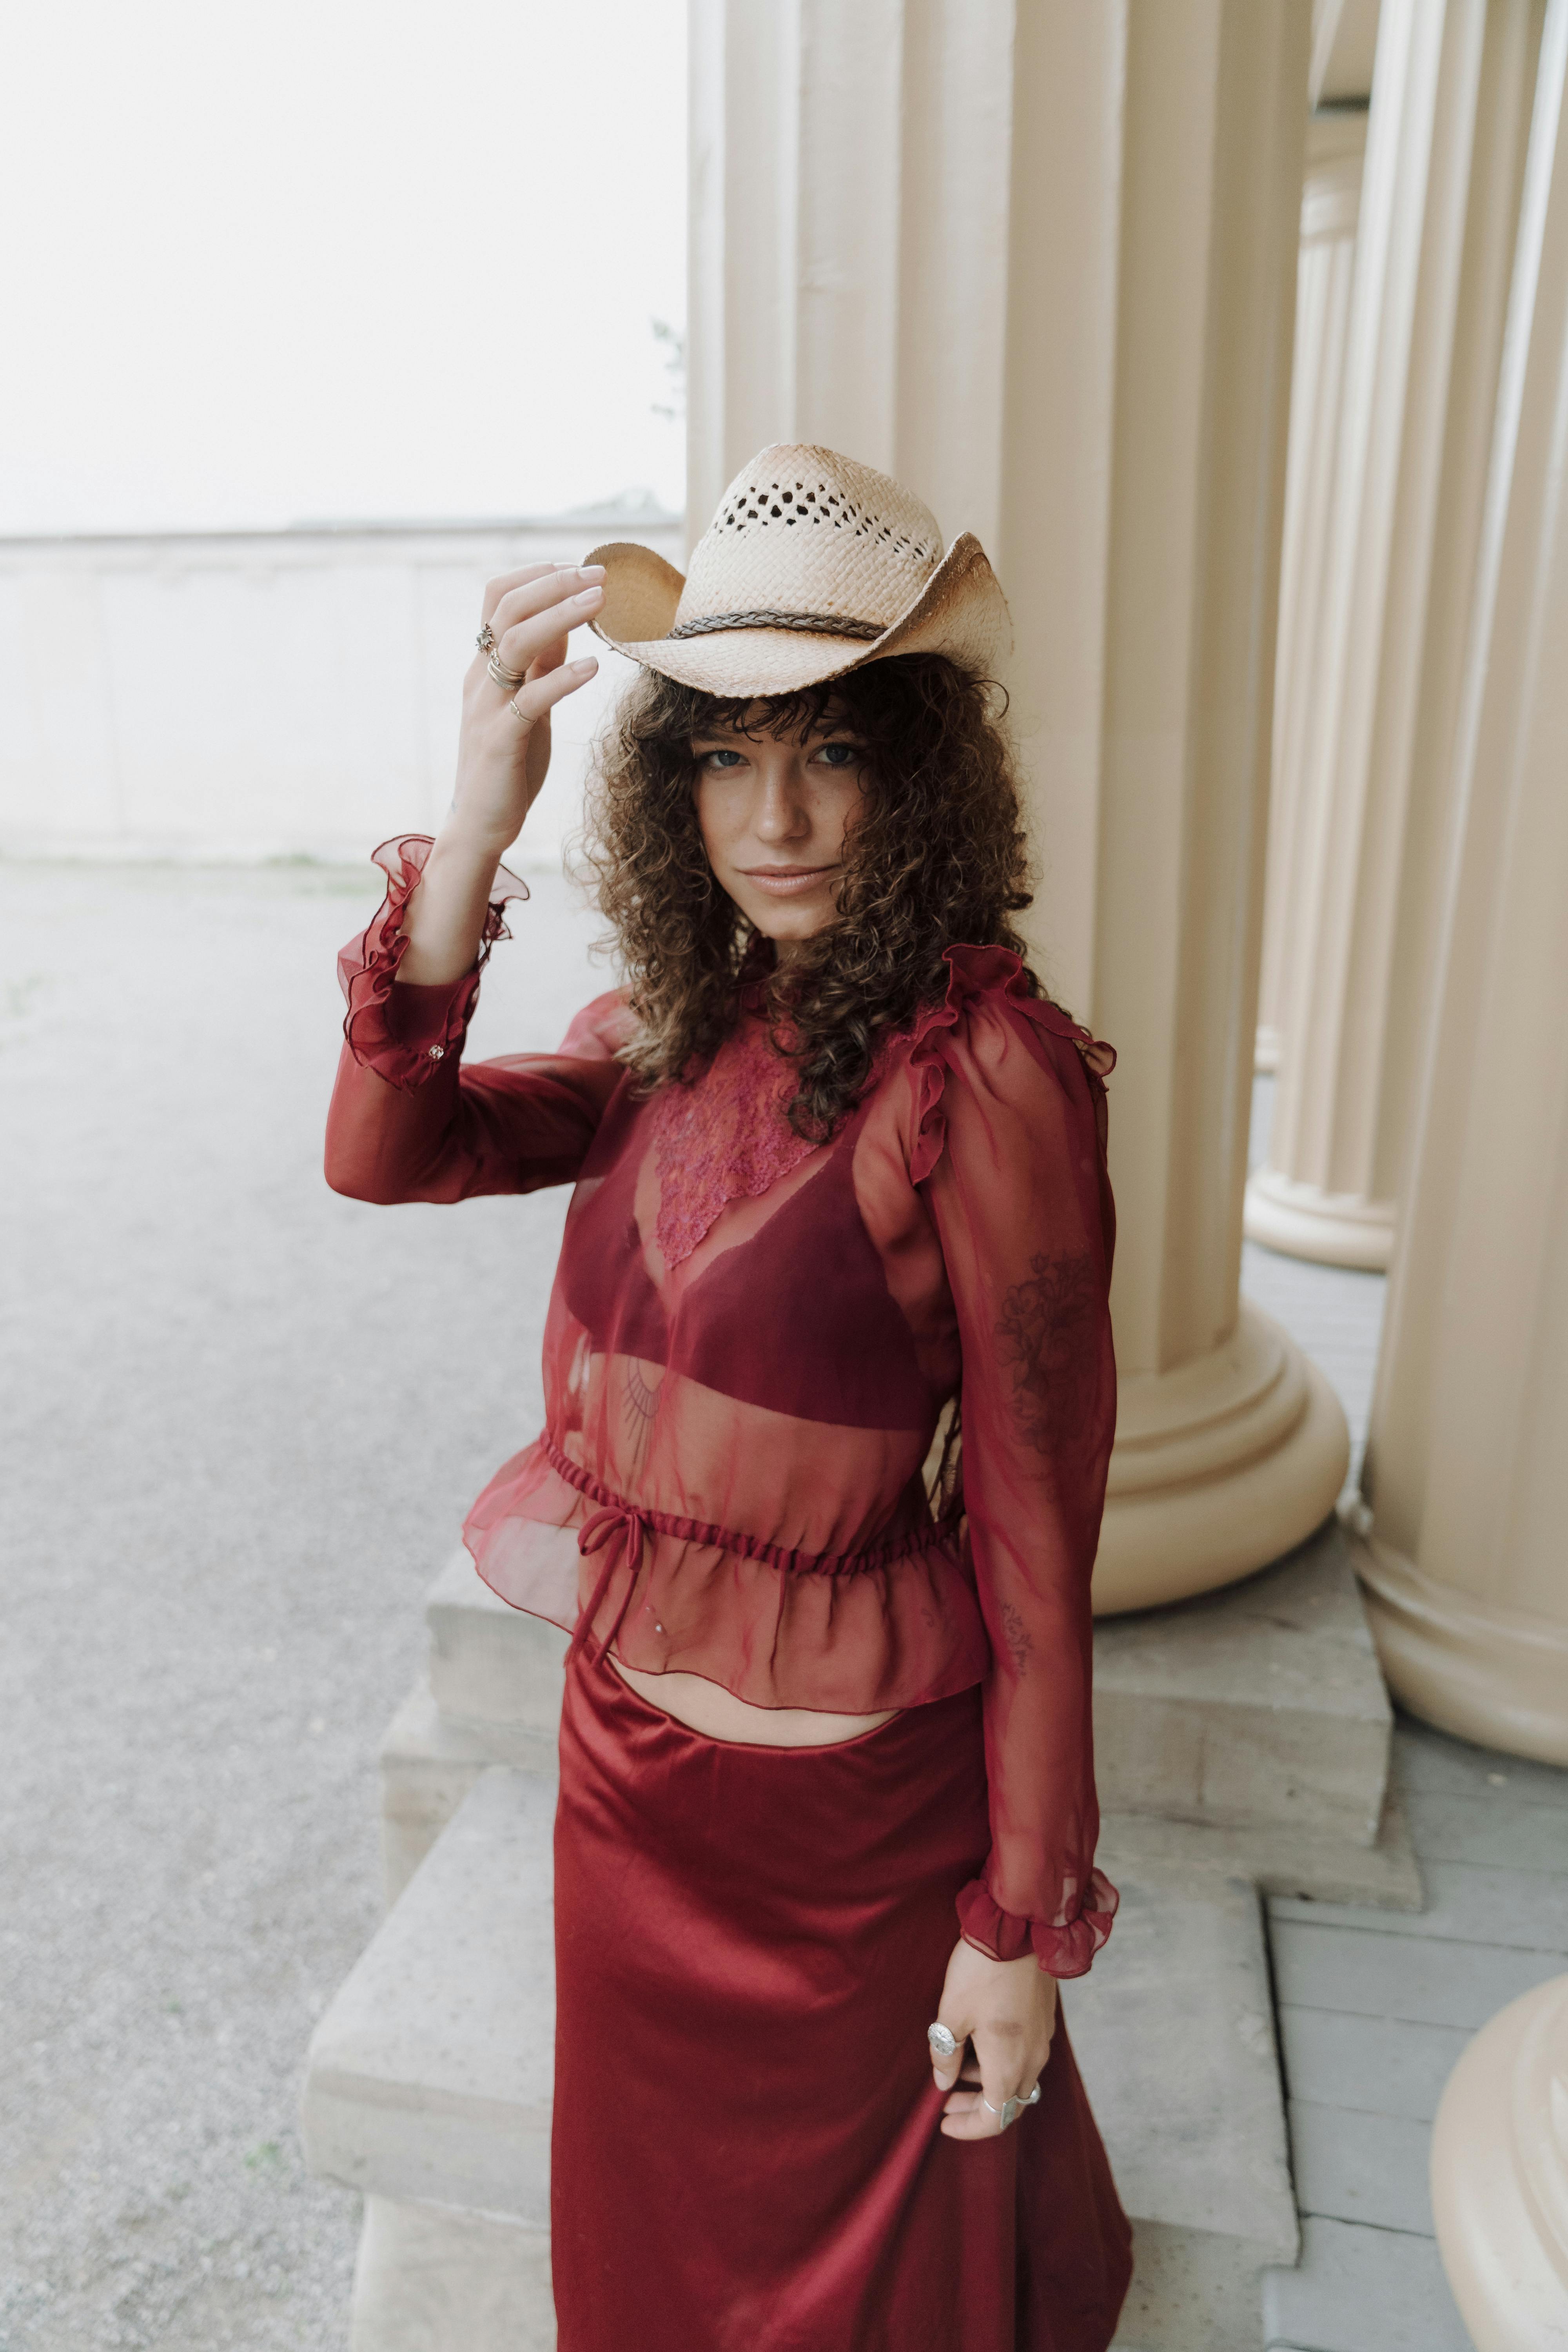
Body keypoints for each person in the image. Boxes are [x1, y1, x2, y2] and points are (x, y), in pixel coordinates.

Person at [325, 446, 1133, 2351]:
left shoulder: (984, 1076)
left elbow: (1038, 1540)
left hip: (851, 1835)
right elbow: (389, 1148)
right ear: (668, 773)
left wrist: (1013, 1933)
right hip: (625, 1779)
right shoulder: (651, 1037)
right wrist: (473, 813)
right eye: (722, 755)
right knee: (648, 2253)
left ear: (914, 773)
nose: (775, 817)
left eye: (833, 752)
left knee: (862, 2277)